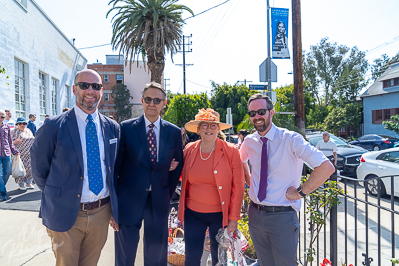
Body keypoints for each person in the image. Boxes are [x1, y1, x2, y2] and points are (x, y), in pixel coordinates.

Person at [30, 69, 120, 266]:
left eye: (95, 86)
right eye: (84, 85)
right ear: (74, 89)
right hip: (65, 213)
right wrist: (58, 196)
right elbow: (38, 169)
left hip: (100, 212)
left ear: (101, 91)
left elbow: (114, 169)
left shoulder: (112, 127)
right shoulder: (53, 126)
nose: (90, 90)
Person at [239, 94, 335, 266]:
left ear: (271, 113)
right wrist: (248, 179)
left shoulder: (291, 139)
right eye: (252, 113)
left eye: (261, 111)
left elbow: (326, 167)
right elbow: (240, 160)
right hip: (255, 215)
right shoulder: (249, 141)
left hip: (282, 217)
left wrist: (300, 192)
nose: (257, 117)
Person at [114, 82, 183, 266]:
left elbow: (178, 166)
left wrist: (167, 194)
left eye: (157, 100)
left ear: (164, 103)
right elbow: (117, 167)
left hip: (158, 201)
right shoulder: (126, 128)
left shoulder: (174, 132)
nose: (152, 103)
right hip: (128, 202)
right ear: (142, 101)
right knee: (125, 256)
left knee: (156, 258)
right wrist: (114, 204)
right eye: (148, 99)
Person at [178, 108, 245, 266]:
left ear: (218, 129)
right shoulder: (189, 149)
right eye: (205, 125)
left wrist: (233, 219)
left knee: (219, 259)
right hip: (193, 214)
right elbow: (183, 176)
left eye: (213, 125)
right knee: (191, 258)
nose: (209, 129)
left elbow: (239, 186)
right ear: (198, 129)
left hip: (220, 216)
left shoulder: (231, 151)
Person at [0, 109, 19, 201]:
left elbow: (10, 141)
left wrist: (14, 151)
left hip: (6, 153)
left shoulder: (6, 127)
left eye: (2, 116)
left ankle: (0, 188)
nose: (0, 118)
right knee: (0, 175)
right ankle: (3, 193)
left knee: (7, 172)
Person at [11, 117, 35, 190]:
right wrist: (14, 142)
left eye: (24, 123)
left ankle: (28, 182)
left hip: (30, 153)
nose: (22, 125)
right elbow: (9, 143)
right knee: (21, 169)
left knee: (30, 168)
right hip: (20, 154)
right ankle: (21, 184)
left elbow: (33, 139)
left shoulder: (28, 130)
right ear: (17, 124)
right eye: (20, 123)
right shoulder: (13, 131)